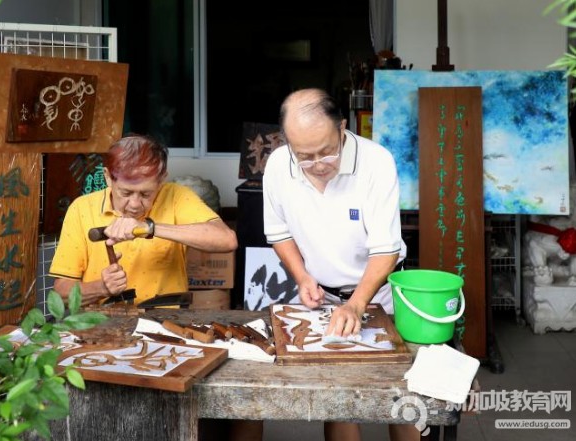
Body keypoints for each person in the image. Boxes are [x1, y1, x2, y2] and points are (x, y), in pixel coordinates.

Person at [262, 88, 415, 441]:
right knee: (337, 394)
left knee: (402, 395)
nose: (317, 164)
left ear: (343, 128)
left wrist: (356, 304)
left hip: (383, 295)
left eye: (327, 152)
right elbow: (279, 233)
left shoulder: (376, 162)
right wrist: (302, 277)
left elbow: (385, 249)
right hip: (324, 301)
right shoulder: (277, 167)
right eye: (305, 156)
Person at [49, 134, 237, 306]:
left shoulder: (176, 197)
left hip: (166, 321)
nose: (135, 204)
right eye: (126, 193)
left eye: (146, 194)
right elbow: (60, 294)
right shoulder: (82, 208)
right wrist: (101, 288)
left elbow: (227, 239)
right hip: (102, 326)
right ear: (108, 177)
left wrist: (149, 228)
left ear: (162, 179)